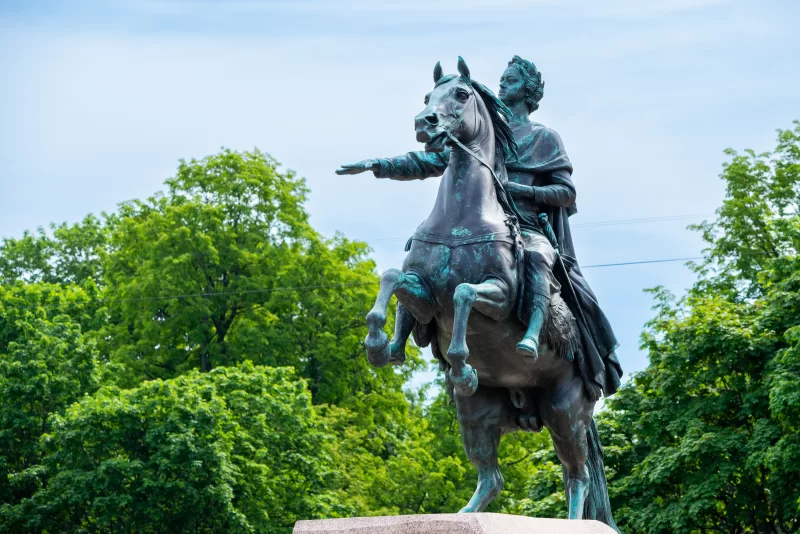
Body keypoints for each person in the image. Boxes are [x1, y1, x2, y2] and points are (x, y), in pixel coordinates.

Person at [337, 56, 622, 399]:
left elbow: (565, 192)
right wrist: (377, 165)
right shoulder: (478, 131)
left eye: (511, 80)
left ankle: (533, 334)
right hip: (473, 222)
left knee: (537, 256)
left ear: (529, 91)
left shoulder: (544, 137)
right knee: (421, 252)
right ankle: (400, 340)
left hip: (525, 225)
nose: (503, 84)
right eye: (502, 79)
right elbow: (428, 160)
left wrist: (522, 190)